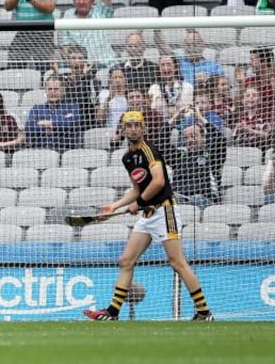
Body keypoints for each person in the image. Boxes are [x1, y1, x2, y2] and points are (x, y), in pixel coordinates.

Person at [85, 111, 215, 321]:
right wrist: (114, 206)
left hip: (165, 211)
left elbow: (158, 182)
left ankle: (204, 312)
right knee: (126, 260)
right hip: (147, 215)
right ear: (123, 129)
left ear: (143, 128)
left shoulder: (149, 150)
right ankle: (112, 312)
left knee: (177, 262)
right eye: (129, 125)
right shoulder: (128, 158)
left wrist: (139, 203)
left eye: (137, 125)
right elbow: (137, 189)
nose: (134, 129)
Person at [58, 0, 116, 69]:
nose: (81, 2)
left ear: (92, 0)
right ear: (73, 0)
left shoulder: (101, 11)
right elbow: (65, 46)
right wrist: (71, 61)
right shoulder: (68, 15)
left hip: (104, 64)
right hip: (78, 66)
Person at [25, 75, 81, 153]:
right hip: (39, 152)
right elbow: (29, 128)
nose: (52, 92)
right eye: (50, 89)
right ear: (46, 91)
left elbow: (70, 124)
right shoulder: (37, 109)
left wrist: (47, 123)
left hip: (64, 152)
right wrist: (51, 128)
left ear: (63, 90)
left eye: (56, 89)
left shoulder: (73, 107)